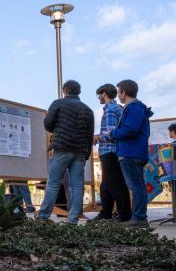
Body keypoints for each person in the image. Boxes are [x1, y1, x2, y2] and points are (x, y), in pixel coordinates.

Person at [37, 80, 94, 225]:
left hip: (62, 148)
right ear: (79, 91)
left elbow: (48, 124)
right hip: (80, 151)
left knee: (53, 183)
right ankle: (73, 219)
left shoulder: (58, 103)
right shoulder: (88, 110)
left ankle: (43, 216)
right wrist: (85, 154)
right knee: (76, 185)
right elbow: (90, 135)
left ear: (65, 91)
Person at [101, 79, 153, 228]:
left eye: (119, 92)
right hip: (135, 152)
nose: (118, 95)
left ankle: (139, 218)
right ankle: (139, 216)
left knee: (136, 187)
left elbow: (131, 129)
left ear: (124, 92)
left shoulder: (133, 108)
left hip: (131, 152)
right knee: (138, 186)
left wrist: (113, 133)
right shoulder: (135, 108)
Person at [90, 83, 130, 222]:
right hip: (111, 151)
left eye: (99, 95)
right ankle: (106, 213)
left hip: (109, 151)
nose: (98, 98)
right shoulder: (116, 108)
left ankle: (124, 215)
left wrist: (96, 137)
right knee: (106, 186)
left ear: (104, 94)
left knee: (115, 184)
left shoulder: (110, 110)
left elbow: (111, 133)